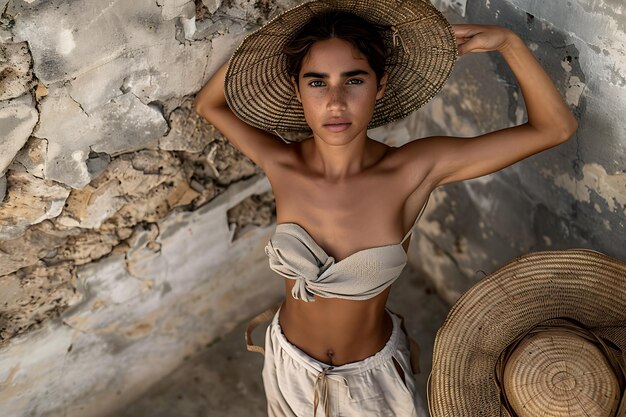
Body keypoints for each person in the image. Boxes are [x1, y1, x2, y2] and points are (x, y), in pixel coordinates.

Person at [194, 1, 578, 416]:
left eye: (354, 80)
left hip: (370, 384)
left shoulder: (413, 170)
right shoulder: (281, 163)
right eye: (317, 82)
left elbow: (554, 128)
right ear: (296, 87)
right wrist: (261, 47)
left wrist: (509, 42)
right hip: (288, 365)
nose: (336, 102)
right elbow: (208, 105)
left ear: (380, 85)